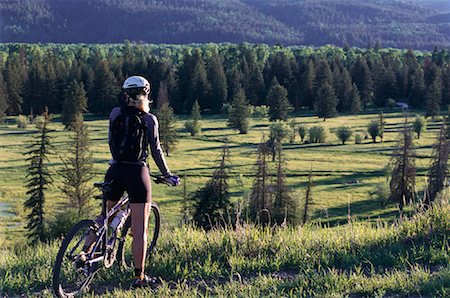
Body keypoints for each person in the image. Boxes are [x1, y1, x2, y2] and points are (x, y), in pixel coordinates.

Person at [106, 75, 179, 287]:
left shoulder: (115, 113)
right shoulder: (149, 119)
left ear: (125, 94)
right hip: (138, 174)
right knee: (139, 232)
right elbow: (156, 151)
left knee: (103, 217)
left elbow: (111, 140)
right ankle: (139, 277)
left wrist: (116, 161)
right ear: (146, 93)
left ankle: (84, 253)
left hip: (115, 169)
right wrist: (167, 175)